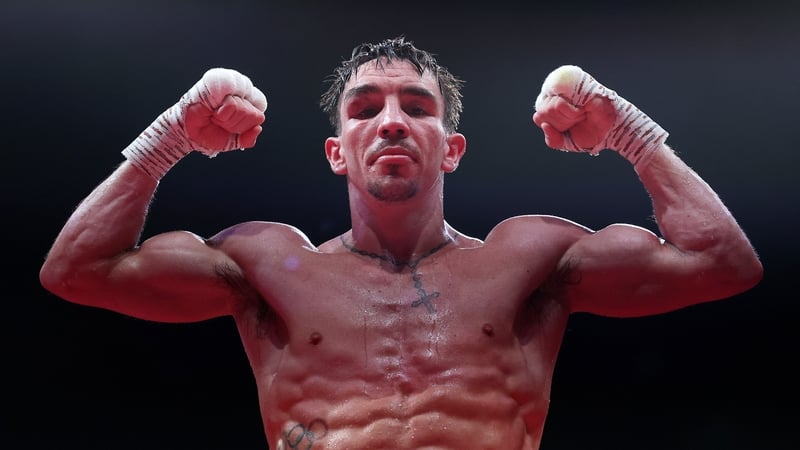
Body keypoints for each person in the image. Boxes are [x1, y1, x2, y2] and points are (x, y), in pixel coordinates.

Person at [39, 36, 763, 450]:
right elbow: (78, 271)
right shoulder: (265, 263)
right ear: (335, 150)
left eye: (416, 108)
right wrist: (164, 141)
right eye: (365, 109)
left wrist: (631, 134)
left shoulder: (528, 256)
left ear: (450, 149)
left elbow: (720, 263)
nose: (390, 122)